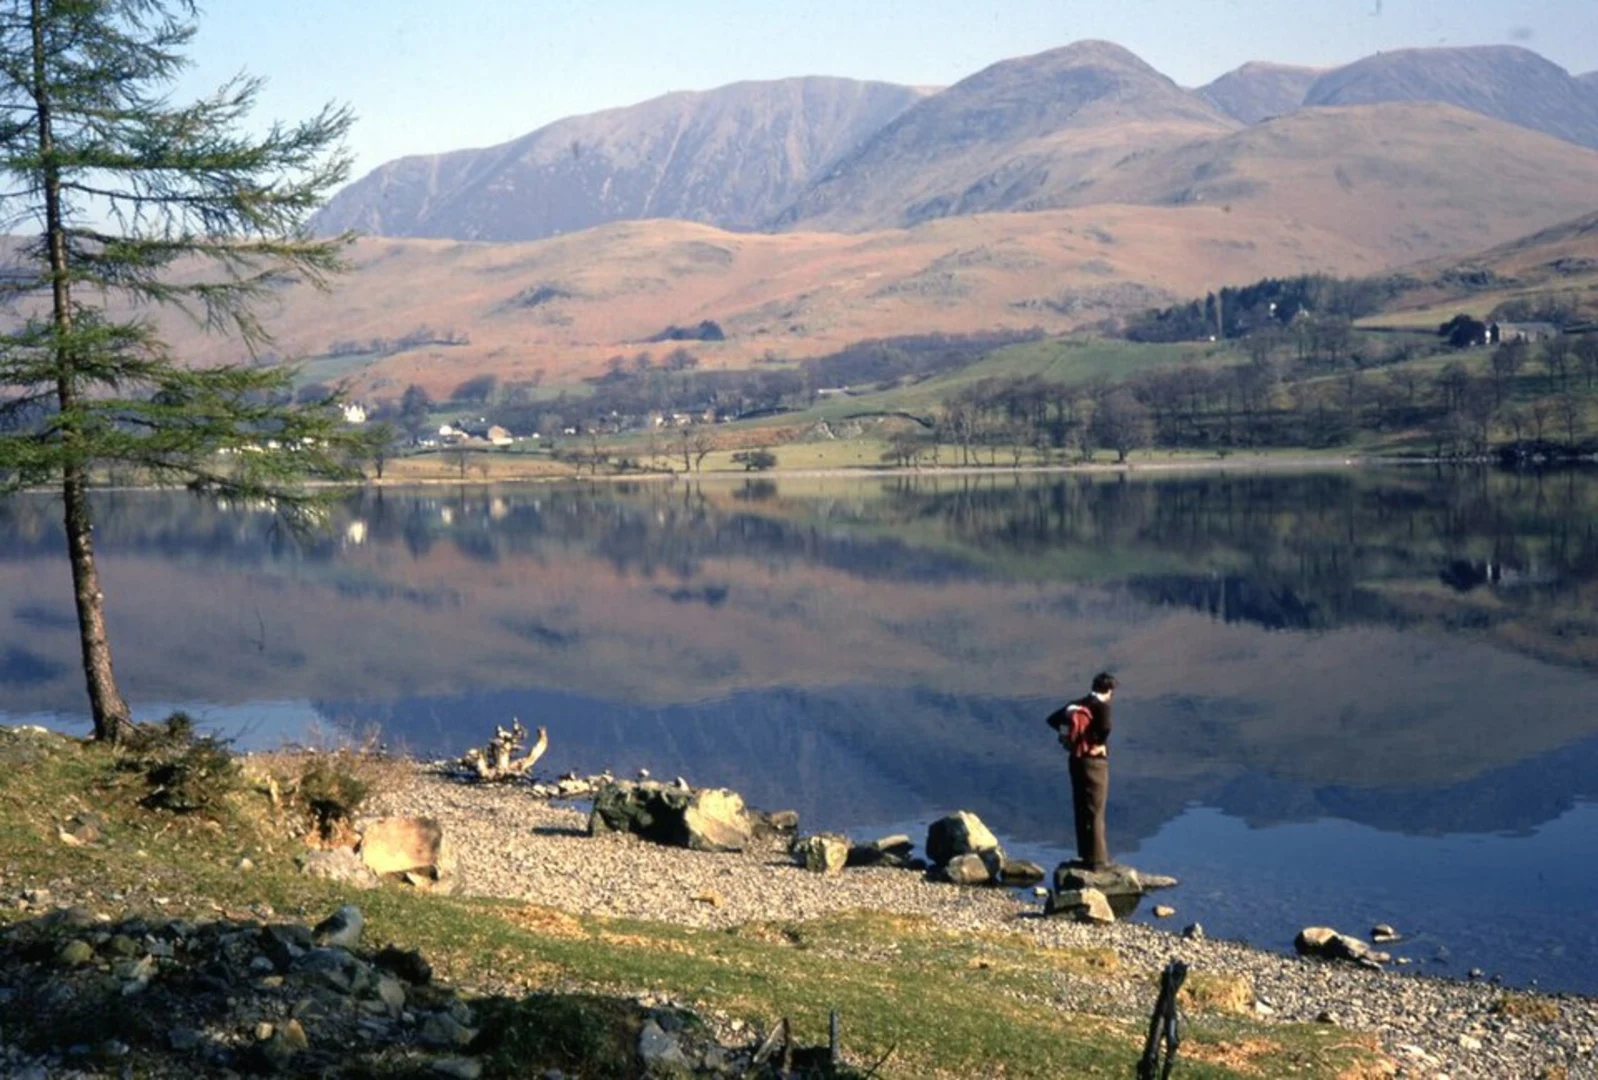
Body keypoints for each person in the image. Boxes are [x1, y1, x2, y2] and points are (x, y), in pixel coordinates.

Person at [1047, 671, 1116, 869]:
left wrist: (1070, 739)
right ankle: (1098, 861)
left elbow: (1052, 719)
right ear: (1109, 690)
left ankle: (1085, 854)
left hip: (1075, 760)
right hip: (1094, 762)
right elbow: (1105, 727)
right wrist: (1098, 743)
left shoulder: (1077, 704)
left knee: (1081, 806)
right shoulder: (1101, 707)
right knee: (1096, 809)